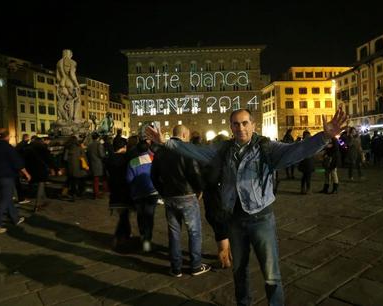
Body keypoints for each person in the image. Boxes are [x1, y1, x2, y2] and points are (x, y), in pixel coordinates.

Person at [145, 107, 347, 306]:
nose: (240, 127)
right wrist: (165, 142)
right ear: (231, 127)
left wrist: (323, 137)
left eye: (244, 123)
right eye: (236, 124)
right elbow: (196, 151)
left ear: (253, 125)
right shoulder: (223, 150)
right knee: (239, 271)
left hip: (261, 219)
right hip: (234, 219)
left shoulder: (267, 148)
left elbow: (296, 151)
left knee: (271, 274)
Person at [151, 125, 209, 277]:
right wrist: (199, 189)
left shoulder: (161, 151)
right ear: (184, 134)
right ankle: (195, 265)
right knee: (194, 232)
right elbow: (194, 172)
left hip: (170, 196)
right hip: (187, 195)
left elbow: (153, 175)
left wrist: (163, 191)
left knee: (174, 233)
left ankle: (176, 268)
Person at [0, 129, 31, 234]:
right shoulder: (7, 147)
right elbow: (17, 162)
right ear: (7, 137)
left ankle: (15, 218)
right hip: (6, 176)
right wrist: (26, 173)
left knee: (8, 198)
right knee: (4, 201)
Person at [201, 134, 232, 269]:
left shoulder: (213, 162)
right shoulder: (232, 159)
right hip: (230, 202)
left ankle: (224, 260)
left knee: (221, 231)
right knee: (227, 229)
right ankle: (230, 255)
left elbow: (210, 181)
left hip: (216, 201)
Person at [126, 138, 159, 252]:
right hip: (152, 192)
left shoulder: (133, 162)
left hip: (138, 194)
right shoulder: (153, 158)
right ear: (148, 149)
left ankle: (142, 236)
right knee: (149, 216)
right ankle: (147, 240)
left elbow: (129, 179)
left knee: (140, 216)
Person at [105, 137, 132, 252]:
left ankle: (123, 239)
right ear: (124, 147)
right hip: (125, 192)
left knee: (123, 217)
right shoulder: (127, 159)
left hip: (114, 192)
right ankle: (120, 241)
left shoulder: (108, 159)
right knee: (124, 218)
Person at [56, 49, 81, 122]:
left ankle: (64, 119)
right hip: (69, 83)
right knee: (77, 100)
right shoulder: (72, 62)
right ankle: (75, 117)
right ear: (70, 55)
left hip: (62, 84)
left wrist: (60, 84)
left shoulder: (58, 63)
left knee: (63, 102)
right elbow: (72, 75)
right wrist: (77, 85)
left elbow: (57, 77)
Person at [87, 133, 107, 199]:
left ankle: (95, 193)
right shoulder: (99, 145)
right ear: (98, 138)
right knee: (100, 179)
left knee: (95, 180)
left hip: (92, 163)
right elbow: (101, 155)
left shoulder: (89, 145)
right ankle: (98, 193)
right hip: (98, 164)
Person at [298, 130, 315, 194]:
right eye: (308, 135)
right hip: (307, 162)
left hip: (308, 161)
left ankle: (303, 189)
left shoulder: (304, 142)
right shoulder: (305, 143)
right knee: (307, 176)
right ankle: (307, 189)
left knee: (305, 176)